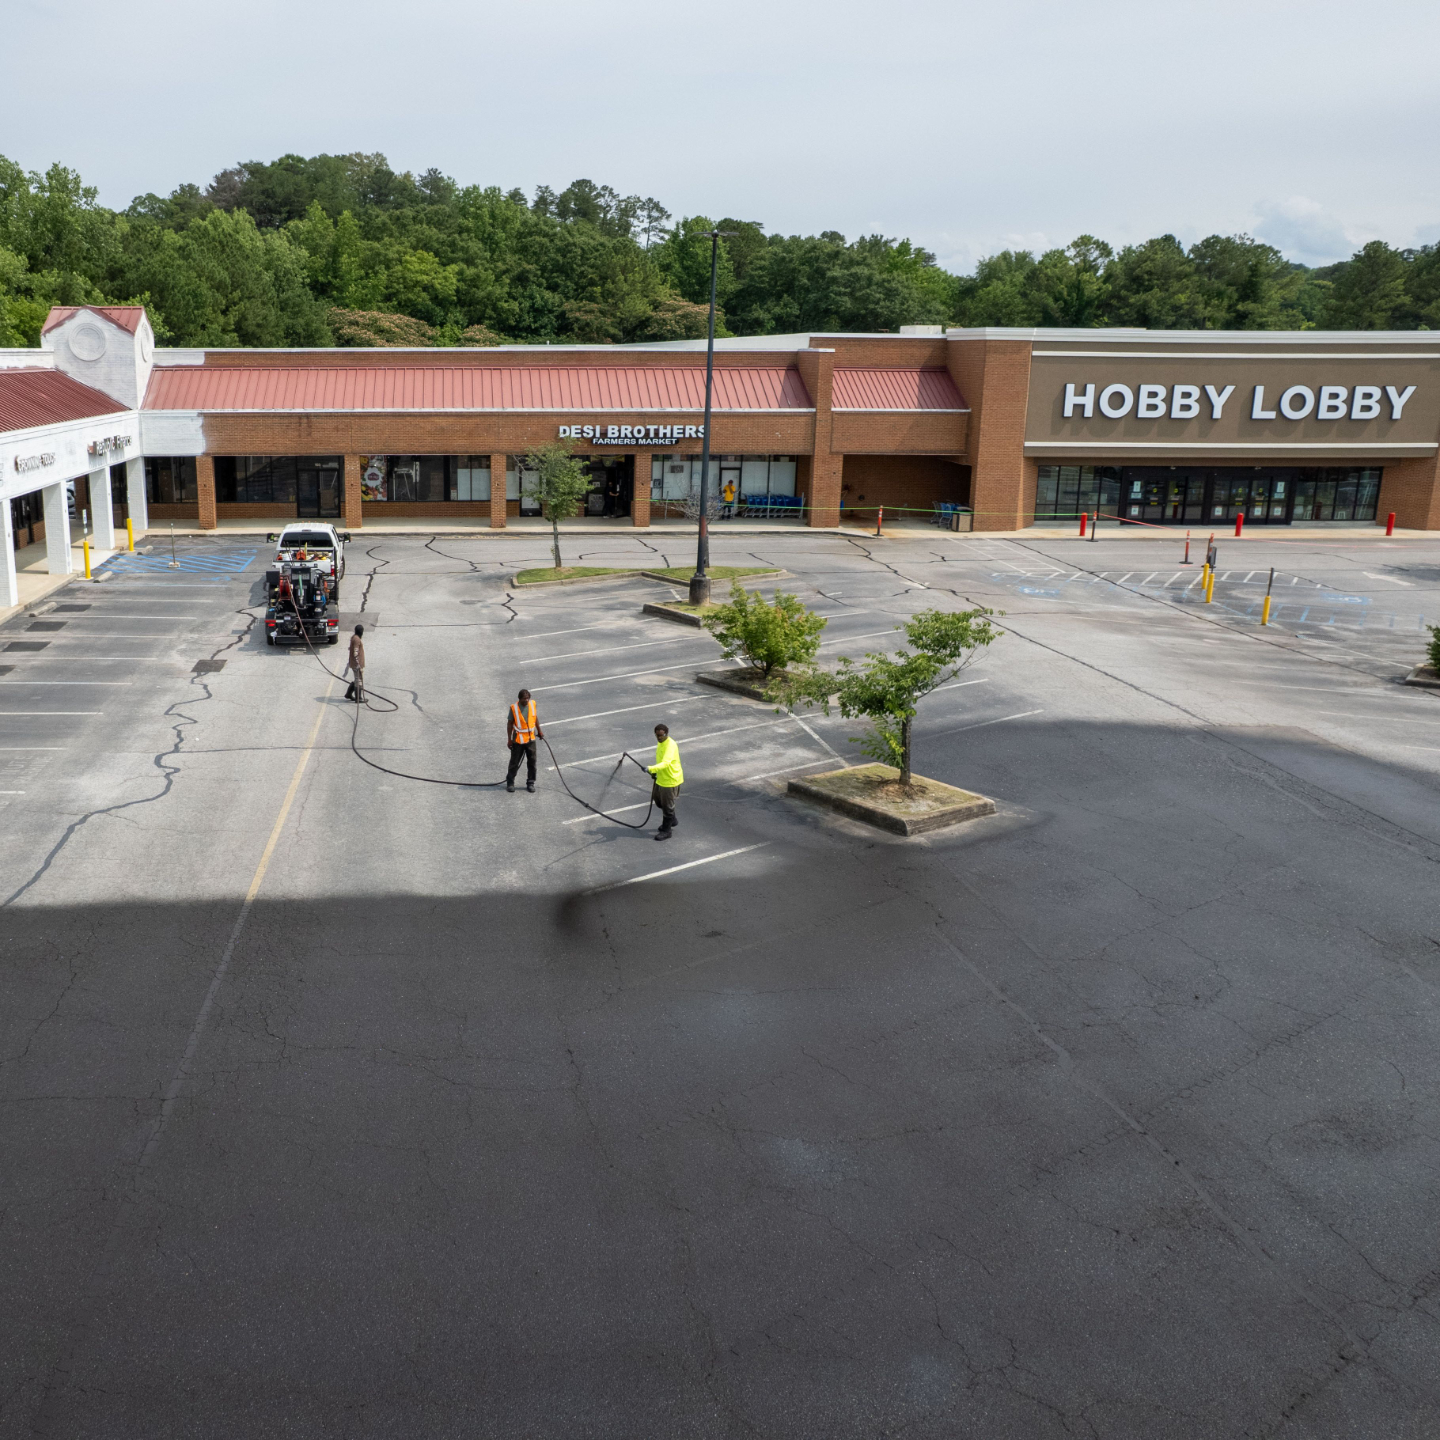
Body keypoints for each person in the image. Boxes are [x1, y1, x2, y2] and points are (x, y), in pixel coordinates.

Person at [646, 723, 683, 840]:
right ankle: (673, 819)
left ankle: (667, 831)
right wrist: (655, 772)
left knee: (667, 806)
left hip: (670, 779)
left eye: (661, 735)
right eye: (657, 735)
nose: (659, 738)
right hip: (661, 777)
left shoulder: (670, 745)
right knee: (658, 801)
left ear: (666, 734)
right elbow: (660, 760)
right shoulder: (661, 742)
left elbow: (666, 763)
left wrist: (651, 768)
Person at [507, 688, 543, 793]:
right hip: (518, 740)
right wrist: (509, 740)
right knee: (514, 762)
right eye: (524, 699)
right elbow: (509, 724)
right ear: (519, 699)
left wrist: (539, 731)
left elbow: (535, 718)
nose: (526, 700)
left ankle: (530, 782)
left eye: (528, 698)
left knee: (532, 762)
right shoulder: (514, 708)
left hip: (530, 739)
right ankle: (510, 782)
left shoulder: (532, 704)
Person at [344, 624, 365, 702]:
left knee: (357, 679)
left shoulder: (354, 637)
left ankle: (348, 694)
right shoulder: (357, 639)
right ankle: (358, 698)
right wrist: (358, 665)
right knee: (358, 680)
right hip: (356, 664)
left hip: (354, 663)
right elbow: (355, 653)